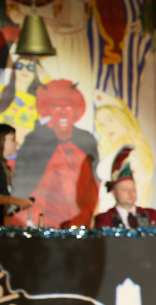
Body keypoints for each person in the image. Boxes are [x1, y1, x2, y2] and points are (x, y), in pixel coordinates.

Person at [10, 78, 98, 228]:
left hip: (79, 215)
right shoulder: (35, 139)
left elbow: (94, 181)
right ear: (48, 109)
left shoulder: (86, 139)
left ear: (76, 109)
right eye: (57, 107)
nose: (63, 112)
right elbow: (21, 179)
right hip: (42, 214)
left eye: (68, 107)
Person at [92, 146, 156, 228]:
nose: (130, 193)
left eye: (133, 189)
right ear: (113, 192)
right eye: (124, 189)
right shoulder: (104, 219)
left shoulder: (151, 215)